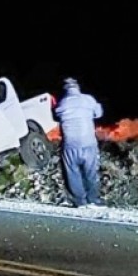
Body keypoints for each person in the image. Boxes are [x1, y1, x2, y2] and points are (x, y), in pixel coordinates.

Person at [54, 77, 105, 208]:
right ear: (78, 87)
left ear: (65, 90)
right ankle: (93, 199)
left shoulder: (62, 104)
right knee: (91, 172)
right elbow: (98, 114)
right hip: (88, 143)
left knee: (72, 173)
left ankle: (79, 201)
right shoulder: (88, 99)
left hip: (70, 144)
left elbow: (56, 116)